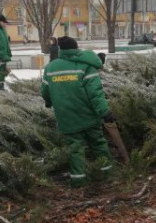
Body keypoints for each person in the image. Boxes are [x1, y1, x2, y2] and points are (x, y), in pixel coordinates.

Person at [40, 36, 114, 187]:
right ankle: (107, 175)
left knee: (75, 149)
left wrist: (49, 102)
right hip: (89, 116)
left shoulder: (51, 68)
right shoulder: (86, 66)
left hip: (66, 117)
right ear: (76, 48)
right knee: (98, 144)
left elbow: (45, 91)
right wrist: (105, 112)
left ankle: (78, 181)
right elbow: (95, 94)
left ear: (61, 50)